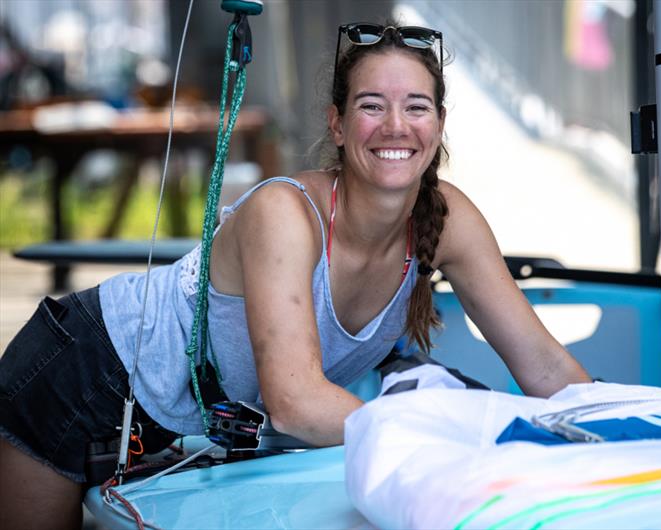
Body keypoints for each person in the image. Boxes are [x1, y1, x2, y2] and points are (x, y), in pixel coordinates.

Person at [0, 22, 590, 529]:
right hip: (79, 375)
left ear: (438, 125)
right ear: (337, 124)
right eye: (370, 105)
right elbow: (296, 403)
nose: (395, 126)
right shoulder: (286, 213)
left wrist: (615, 427)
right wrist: (453, 432)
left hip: (192, 433)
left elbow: (544, 368)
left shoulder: (450, 218)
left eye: (416, 105)